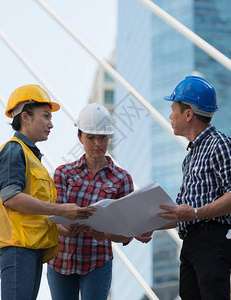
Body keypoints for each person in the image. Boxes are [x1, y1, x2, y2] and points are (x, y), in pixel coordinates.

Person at [0, 84, 95, 300]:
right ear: (25, 118)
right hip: (18, 248)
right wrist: (61, 209)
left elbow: (33, 210)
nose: (51, 124)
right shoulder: (14, 149)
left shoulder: (32, 158)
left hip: (29, 249)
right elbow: (11, 198)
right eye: (46, 116)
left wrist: (60, 226)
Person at [155, 76, 231, 300]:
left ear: (188, 114)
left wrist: (196, 213)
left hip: (213, 239)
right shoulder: (190, 159)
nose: (170, 115)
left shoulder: (221, 144)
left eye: (173, 109)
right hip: (191, 244)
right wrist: (147, 226)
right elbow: (180, 212)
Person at [47, 103, 134, 300]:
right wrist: (64, 228)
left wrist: (103, 233)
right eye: (90, 137)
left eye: (102, 137)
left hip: (97, 262)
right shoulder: (63, 173)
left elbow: (127, 235)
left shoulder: (122, 179)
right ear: (80, 137)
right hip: (60, 262)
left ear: (109, 137)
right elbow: (56, 216)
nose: (97, 143)